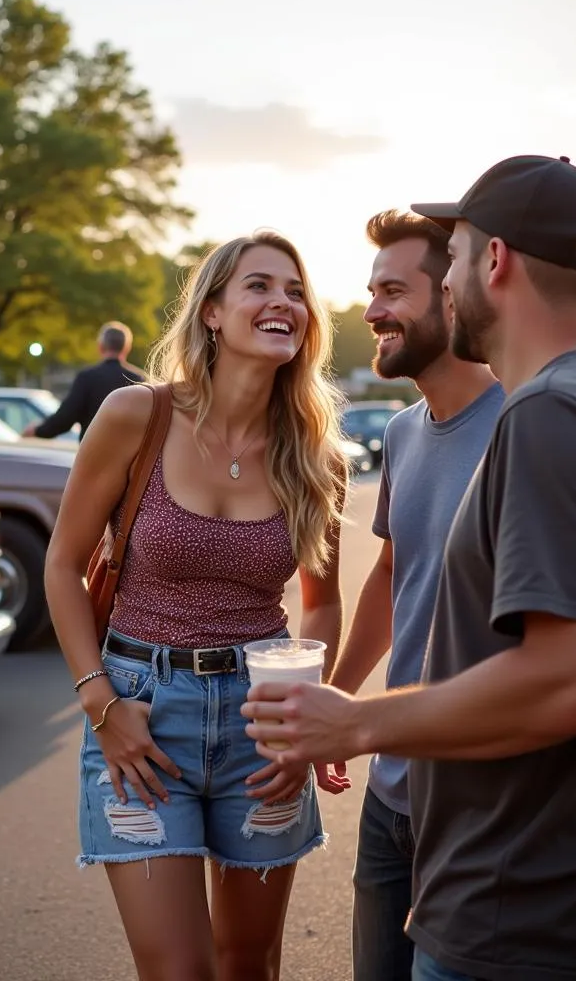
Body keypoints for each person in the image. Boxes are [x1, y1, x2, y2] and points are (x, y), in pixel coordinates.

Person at [243, 155, 576, 980]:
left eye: (460, 254)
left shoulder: (553, 414)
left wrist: (357, 723)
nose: (445, 285)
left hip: (526, 913)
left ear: (495, 262)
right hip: (558, 897)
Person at [44, 230, 352, 981]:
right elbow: (60, 565)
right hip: (143, 717)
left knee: (249, 964)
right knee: (179, 970)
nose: (283, 301)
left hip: (262, 724)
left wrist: (301, 723)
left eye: (295, 290)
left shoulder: (317, 454)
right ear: (212, 311)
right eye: (259, 286)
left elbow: (322, 603)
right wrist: (101, 705)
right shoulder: (135, 415)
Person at [330, 209, 503, 981]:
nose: (371, 311)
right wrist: (337, 702)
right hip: (389, 791)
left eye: (393, 290)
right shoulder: (401, 433)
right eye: (371, 291)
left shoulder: (528, 425)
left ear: (455, 295)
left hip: (479, 805)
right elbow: (393, 576)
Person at [22, 321, 145, 439]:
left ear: (101, 347)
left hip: (94, 454)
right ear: (126, 348)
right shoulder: (140, 380)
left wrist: (38, 430)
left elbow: (65, 418)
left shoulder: (87, 378)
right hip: (133, 458)